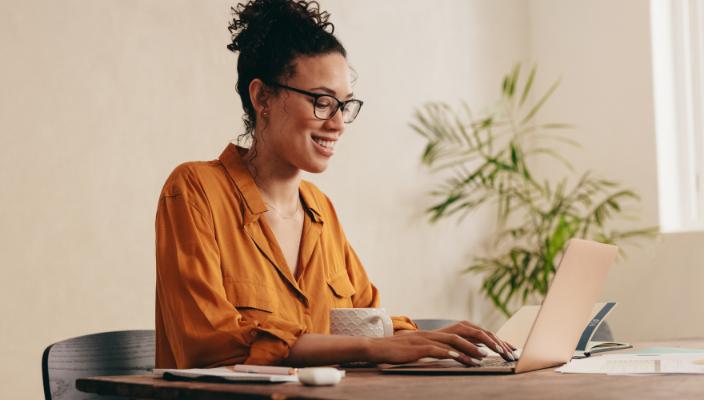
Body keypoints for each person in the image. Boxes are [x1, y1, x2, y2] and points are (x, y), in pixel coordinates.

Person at [155, 0, 516, 369]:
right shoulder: (194, 190)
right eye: (322, 102)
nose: (338, 123)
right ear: (262, 97)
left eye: (345, 105)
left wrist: (422, 338)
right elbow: (212, 344)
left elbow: (367, 324)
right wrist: (371, 349)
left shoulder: (319, 209)